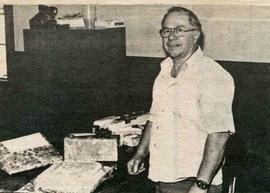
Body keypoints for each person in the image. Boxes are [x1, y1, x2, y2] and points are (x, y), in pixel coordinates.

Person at [127, 6, 235, 193]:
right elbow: (154, 118)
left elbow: (218, 138)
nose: (171, 37)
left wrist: (200, 186)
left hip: (194, 182)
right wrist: (140, 154)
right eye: (166, 30)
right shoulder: (164, 71)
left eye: (179, 30)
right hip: (163, 177)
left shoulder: (212, 75)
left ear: (196, 35)